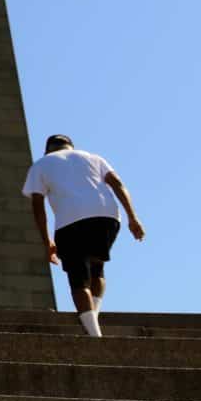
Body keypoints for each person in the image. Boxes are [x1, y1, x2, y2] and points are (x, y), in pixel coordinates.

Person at [22, 134, 145, 336]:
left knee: (78, 277)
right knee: (97, 268)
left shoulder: (41, 165)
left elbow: (38, 204)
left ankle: (93, 334)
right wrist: (133, 217)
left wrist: (47, 242)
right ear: (71, 147)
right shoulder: (94, 158)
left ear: (48, 150)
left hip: (71, 221)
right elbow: (117, 183)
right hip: (107, 216)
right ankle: (92, 317)